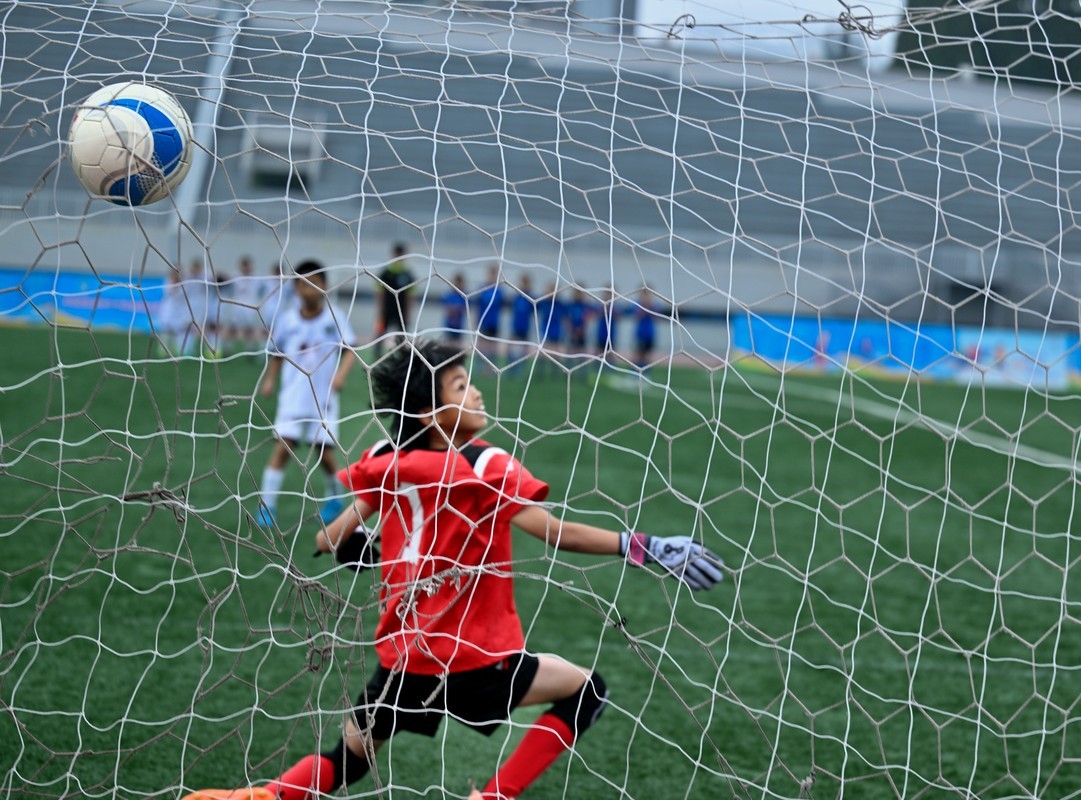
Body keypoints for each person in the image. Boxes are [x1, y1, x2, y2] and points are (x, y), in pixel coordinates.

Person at [181, 339, 725, 800]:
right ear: (430, 412)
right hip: (475, 659)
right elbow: (557, 532)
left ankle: (256, 796)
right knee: (588, 690)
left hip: (403, 661)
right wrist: (646, 546)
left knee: (349, 760)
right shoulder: (483, 464)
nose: (478, 391)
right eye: (462, 386)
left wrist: (375, 552)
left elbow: (330, 539)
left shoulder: (388, 458)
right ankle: (494, 796)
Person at [256, 260, 358, 527]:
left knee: (324, 453)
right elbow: (277, 353)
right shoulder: (287, 319)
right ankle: (267, 505)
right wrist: (269, 381)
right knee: (283, 446)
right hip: (292, 395)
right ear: (296, 288)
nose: (310, 289)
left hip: (322, 397)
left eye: (315, 283)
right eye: (303, 283)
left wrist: (340, 376)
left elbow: (350, 348)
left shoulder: (334, 317)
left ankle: (335, 499)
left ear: (324, 287)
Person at [375, 242, 415, 359]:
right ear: (394, 255)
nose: (399, 257)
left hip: (401, 311)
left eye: (401, 255)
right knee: (380, 333)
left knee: (402, 336)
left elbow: (410, 295)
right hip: (386, 310)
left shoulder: (407, 274)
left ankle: (403, 358)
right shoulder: (386, 272)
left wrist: (408, 312)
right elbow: (380, 292)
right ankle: (377, 357)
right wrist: (380, 310)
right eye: (397, 254)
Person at [226, 256, 269, 352]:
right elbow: (224, 282)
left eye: (247, 266)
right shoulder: (235, 275)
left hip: (251, 306)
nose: (245, 268)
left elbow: (267, 286)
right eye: (243, 266)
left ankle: (250, 347)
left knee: (250, 328)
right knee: (232, 327)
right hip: (237, 305)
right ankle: (228, 348)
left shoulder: (257, 276)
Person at [473, 263, 505, 362]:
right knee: (481, 348)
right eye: (491, 274)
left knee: (493, 349)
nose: (492, 277)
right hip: (483, 323)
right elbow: (477, 306)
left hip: (494, 324)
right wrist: (475, 321)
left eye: (494, 275)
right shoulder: (482, 289)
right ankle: (480, 368)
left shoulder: (499, 291)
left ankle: (491, 370)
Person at [507, 273, 536, 366]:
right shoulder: (515, 297)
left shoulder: (531, 298)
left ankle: (521, 371)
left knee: (523, 353)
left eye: (526, 283)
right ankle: (510, 369)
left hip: (525, 329)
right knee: (510, 350)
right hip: (515, 328)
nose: (524, 285)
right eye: (523, 282)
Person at [442, 273, 469, 343]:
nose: (458, 284)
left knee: (458, 346)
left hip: (459, 327)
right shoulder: (449, 295)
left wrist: (455, 308)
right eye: (457, 282)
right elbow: (447, 309)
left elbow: (464, 309)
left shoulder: (464, 296)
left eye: (460, 282)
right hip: (449, 326)